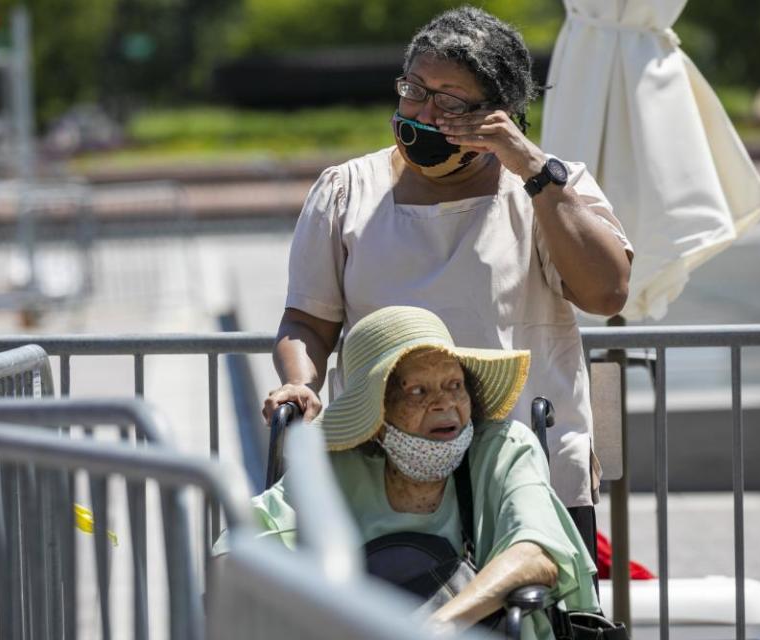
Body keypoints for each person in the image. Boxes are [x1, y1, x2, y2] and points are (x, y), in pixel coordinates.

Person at [263, 6, 633, 543]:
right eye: (414, 89)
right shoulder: (346, 190)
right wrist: (299, 382)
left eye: (450, 101)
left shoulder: (552, 188)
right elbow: (307, 319)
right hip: (384, 472)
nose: (425, 113)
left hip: (528, 471)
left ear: (500, 113)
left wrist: (532, 171)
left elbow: (607, 293)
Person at [250, 306, 599, 638]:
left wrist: (435, 627)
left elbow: (537, 555)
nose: (444, 403)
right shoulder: (339, 465)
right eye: (418, 390)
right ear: (376, 413)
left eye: (454, 385)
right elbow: (241, 547)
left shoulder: (503, 448)